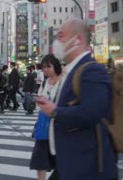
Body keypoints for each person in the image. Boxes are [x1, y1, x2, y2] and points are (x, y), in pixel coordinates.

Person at [37, 18, 117, 180]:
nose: (57, 42)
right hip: (71, 163)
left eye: (61, 36)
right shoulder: (71, 71)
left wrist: (54, 111)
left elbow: (91, 112)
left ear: (78, 39)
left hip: (89, 167)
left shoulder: (92, 70)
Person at [30, 54, 62, 180]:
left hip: (58, 124)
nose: (45, 70)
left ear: (56, 66)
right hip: (44, 125)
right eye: (43, 67)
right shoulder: (44, 83)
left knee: (61, 160)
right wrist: (39, 100)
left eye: (48, 66)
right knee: (40, 159)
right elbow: (40, 101)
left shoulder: (63, 81)